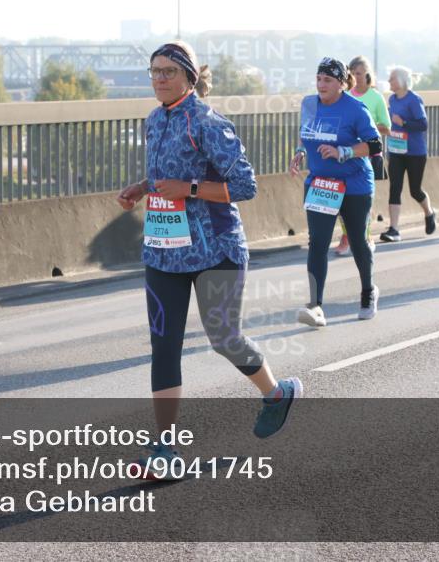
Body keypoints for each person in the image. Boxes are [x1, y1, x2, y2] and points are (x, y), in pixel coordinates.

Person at [116, 41, 302, 476]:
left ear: (188, 77)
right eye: (154, 71)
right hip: (164, 251)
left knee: (223, 339)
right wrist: (142, 188)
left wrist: (190, 190)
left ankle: (276, 393)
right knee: (164, 347)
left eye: (168, 71)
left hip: (215, 248)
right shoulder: (154, 119)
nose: (159, 78)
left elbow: (245, 186)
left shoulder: (207, 122)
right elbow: (168, 174)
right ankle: (165, 451)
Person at [289, 57, 383, 326]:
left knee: (357, 241)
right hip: (321, 184)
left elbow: (375, 146)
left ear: (342, 83)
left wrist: (344, 152)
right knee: (317, 243)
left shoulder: (356, 109)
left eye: (328, 80)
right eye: (319, 79)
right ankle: (316, 305)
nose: (321, 85)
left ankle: (368, 290)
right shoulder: (309, 104)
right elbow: (305, 133)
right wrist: (300, 152)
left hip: (354, 184)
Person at [329, 56, 388, 256]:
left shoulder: (375, 97)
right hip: (344, 155)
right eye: (352, 74)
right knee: (340, 200)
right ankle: (347, 237)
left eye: (359, 73)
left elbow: (386, 128)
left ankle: (365, 236)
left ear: (368, 75)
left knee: (362, 202)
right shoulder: (345, 96)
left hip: (369, 155)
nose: (356, 77)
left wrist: (364, 128)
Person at [378, 65, 436, 242]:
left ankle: (429, 212)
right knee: (394, 188)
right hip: (396, 150)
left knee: (415, 190)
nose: (389, 82)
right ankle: (394, 229)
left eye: (392, 78)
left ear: (402, 80)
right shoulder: (392, 100)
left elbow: (423, 125)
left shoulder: (414, 99)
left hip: (415, 152)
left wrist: (403, 123)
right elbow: (390, 122)